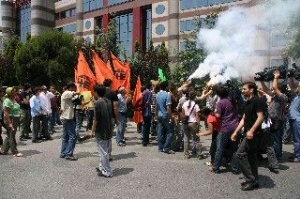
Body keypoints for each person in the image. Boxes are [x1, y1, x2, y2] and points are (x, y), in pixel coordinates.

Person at [231, 82, 267, 191]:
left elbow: (260, 117)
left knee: (240, 153)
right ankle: (255, 181)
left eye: (244, 89)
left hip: (254, 134)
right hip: (248, 133)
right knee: (251, 157)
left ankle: (250, 179)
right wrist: (235, 132)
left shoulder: (258, 101)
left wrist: (251, 130)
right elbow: (244, 119)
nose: (242, 91)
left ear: (251, 90)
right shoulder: (248, 102)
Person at [91, 84, 113, 178]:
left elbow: (96, 119)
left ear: (96, 92)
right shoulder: (108, 101)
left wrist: (92, 130)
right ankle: (101, 167)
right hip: (108, 128)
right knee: (104, 150)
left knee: (103, 151)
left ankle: (107, 171)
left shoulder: (98, 103)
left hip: (101, 130)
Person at [0, 87, 23, 157]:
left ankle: (4, 150)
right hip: (11, 119)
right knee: (11, 136)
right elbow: (6, 113)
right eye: (13, 91)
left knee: (9, 135)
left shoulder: (13, 99)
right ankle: (15, 152)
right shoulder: (7, 101)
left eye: (15, 91)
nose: (15, 92)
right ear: (10, 93)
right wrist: (9, 123)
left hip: (15, 119)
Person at [60, 82, 80, 161]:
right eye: (74, 87)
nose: (75, 88)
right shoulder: (67, 92)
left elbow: (75, 98)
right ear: (71, 87)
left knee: (66, 137)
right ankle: (68, 154)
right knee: (73, 136)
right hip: (68, 118)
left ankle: (63, 153)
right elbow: (76, 93)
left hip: (65, 117)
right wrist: (79, 86)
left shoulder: (66, 94)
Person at [181, 90, 202, 159]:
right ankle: (199, 154)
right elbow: (197, 117)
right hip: (193, 123)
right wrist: (198, 126)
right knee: (196, 139)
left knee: (186, 139)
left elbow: (183, 115)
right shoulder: (196, 105)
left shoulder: (184, 104)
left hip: (185, 123)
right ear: (194, 97)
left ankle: (186, 154)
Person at [156, 81, 175, 154]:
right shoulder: (167, 95)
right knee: (170, 131)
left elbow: (156, 106)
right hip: (165, 115)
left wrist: (156, 115)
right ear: (166, 87)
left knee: (160, 131)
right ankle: (166, 148)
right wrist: (170, 117)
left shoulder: (158, 94)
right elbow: (168, 107)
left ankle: (160, 147)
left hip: (159, 114)